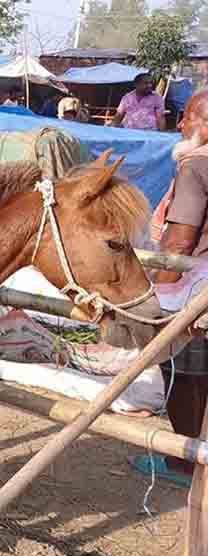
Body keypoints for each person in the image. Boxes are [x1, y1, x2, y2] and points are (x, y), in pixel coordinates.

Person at [138, 89, 208, 487]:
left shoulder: (195, 167)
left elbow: (179, 241)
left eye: (189, 117)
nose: (181, 124)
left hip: (193, 286)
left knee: (184, 373)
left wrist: (156, 298)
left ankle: (185, 461)